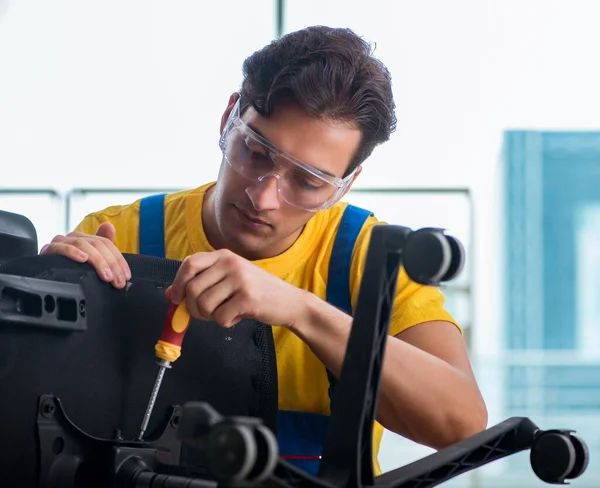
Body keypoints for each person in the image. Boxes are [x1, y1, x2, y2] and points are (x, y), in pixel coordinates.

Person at [40, 25, 487, 475]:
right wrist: (45, 297)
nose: (265, 196)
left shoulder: (369, 260)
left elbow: (461, 424)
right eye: (255, 152)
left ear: (345, 185)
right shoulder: (121, 235)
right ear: (228, 119)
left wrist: (303, 311)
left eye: (309, 182)